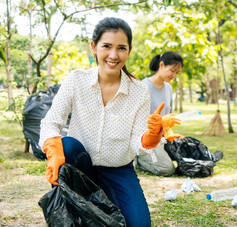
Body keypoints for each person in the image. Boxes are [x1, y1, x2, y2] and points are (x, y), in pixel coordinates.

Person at [38, 17, 164, 227]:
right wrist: (52, 150)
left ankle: (106, 194)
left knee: (139, 224)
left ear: (129, 51)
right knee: (66, 145)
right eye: (106, 46)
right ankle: (76, 201)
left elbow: (137, 143)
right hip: (79, 166)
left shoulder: (139, 90)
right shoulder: (76, 80)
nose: (113, 55)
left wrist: (151, 137)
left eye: (121, 48)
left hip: (118, 169)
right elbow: (50, 123)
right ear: (94, 47)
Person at [135, 51, 184, 176]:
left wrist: (169, 131)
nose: (174, 75)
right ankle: (140, 160)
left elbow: (168, 114)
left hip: (162, 139)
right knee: (167, 169)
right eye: (172, 70)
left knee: (187, 155)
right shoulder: (143, 87)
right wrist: (160, 121)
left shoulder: (168, 88)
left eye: (176, 72)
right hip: (148, 139)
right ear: (161, 65)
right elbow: (136, 120)